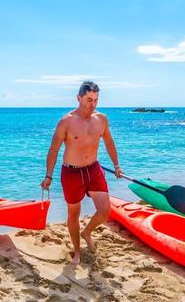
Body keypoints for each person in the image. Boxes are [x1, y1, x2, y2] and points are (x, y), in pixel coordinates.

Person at [41, 81, 124, 265]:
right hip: (71, 173)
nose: (92, 104)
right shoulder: (66, 121)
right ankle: (77, 253)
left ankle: (87, 232)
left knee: (104, 211)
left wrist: (117, 165)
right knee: (73, 214)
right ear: (78, 98)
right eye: (88, 99)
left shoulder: (101, 119)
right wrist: (48, 175)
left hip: (94, 169)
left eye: (95, 100)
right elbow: (53, 149)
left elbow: (109, 142)